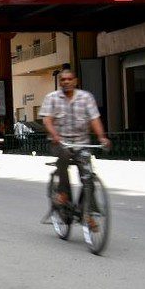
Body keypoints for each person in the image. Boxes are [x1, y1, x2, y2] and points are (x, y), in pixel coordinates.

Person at [41, 69, 111, 209]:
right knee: (64, 156)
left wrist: (102, 137)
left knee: (88, 175)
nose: (66, 82)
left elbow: (94, 119)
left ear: (75, 81)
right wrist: (55, 135)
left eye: (69, 79)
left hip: (82, 143)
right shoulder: (52, 98)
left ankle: (88, 211)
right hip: (60, 142)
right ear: (60, 82)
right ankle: (63, 192)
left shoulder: (86, 97)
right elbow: (47, 120)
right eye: (63, 79)